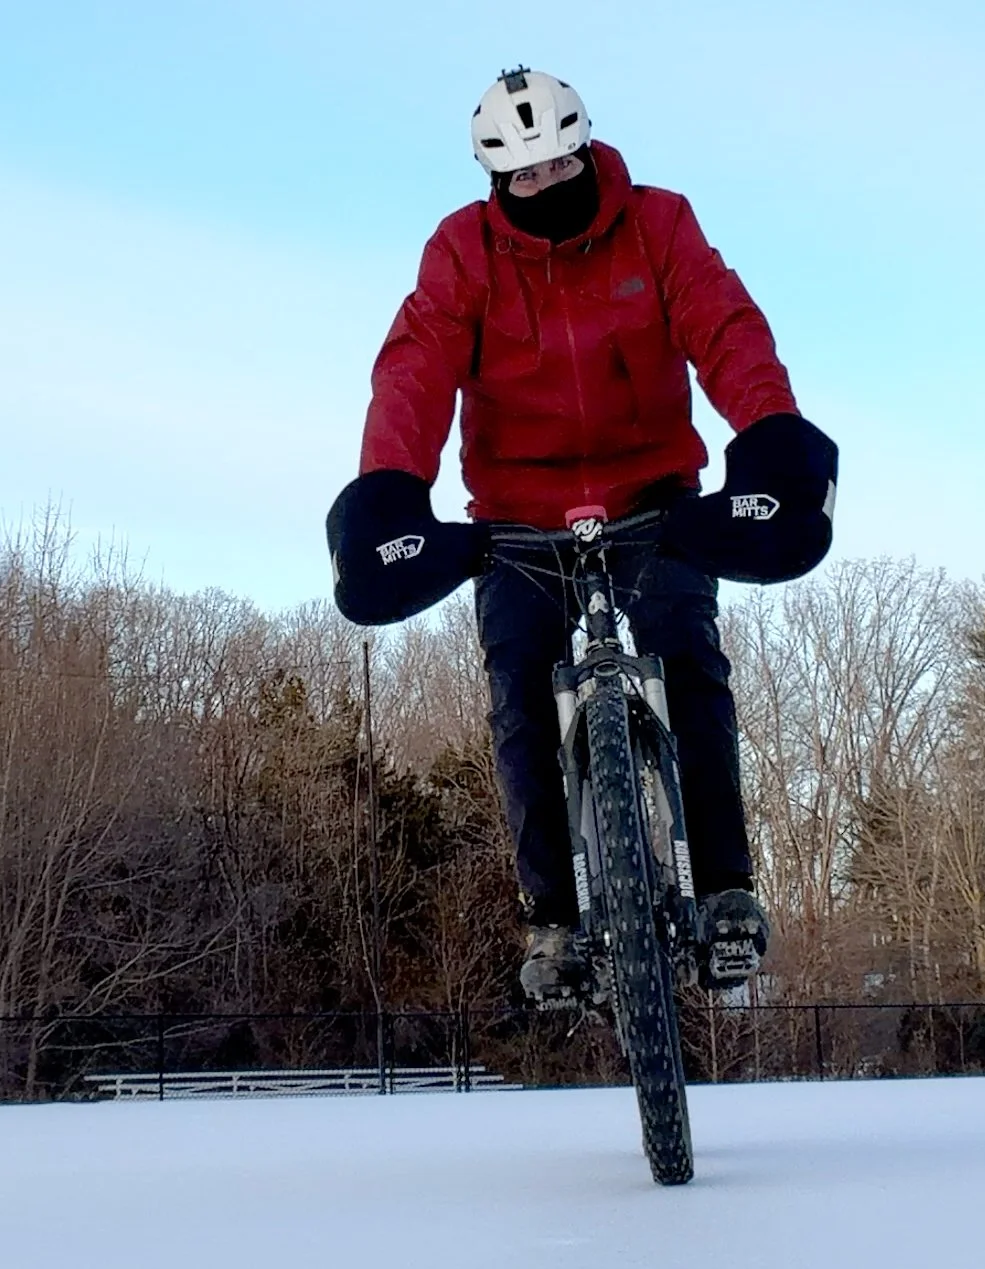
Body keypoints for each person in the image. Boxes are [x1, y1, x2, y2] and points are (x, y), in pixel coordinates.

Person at [325, 68, 837, 1002]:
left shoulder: (658, 223)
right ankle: (555, 922)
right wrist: (391, 490)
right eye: (523, 176)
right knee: (518, 693)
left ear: (586, 146)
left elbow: (725, 326)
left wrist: (767, 435)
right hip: (517, 521)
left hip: (652, 501)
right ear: (494, 181)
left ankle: (726, 892)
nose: (546, 185)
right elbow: (415, 369)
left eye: (559, 161)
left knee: (690, 659)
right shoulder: (462, 253)